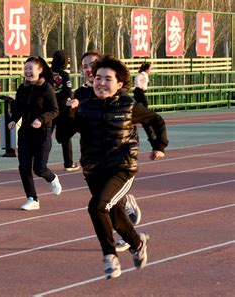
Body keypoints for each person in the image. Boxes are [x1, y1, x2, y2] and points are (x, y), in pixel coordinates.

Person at [73, 55, 168, 279]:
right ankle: (137, 242)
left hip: (121, 168)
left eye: (108, 79)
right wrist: (68, 113)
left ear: (119, 84)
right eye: (97, 78)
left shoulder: (128, 105)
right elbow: (64, 134)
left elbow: (155, 119)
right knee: (114, 214)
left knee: (97, 207)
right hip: (93, 169)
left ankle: (110, 257)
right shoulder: (84, 105)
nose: (101, 83)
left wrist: (159, 145)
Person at [74, 51, 142, 252]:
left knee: (103, 205)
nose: (88, 69)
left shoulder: (117, 92)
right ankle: (133, 240)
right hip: (95, 160)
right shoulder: (81, 95)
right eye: (85, 66)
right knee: (105, 206)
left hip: (119, 157)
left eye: (92, 64)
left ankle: (120, 241)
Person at [8, 56, 62, 211]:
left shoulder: (47, 88)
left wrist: (41, 119)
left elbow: (55, 110)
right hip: (25, 132)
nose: (27, 71)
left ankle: (52, 178)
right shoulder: (22, 88)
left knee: (39, 168)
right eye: (26, 68)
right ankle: (32, 198)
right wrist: (13, 120)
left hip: (43, 133)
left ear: (40, 70)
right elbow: (18, 108)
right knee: (24, 167)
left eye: (31, 68)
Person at [50, 50, 79, 171]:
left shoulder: (47, 73)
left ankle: (37, 161)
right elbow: (68, 92)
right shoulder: (64, 75)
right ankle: (68, 164)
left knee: (44, 136)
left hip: (49, 108)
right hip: (62, 109)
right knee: (65, 137)